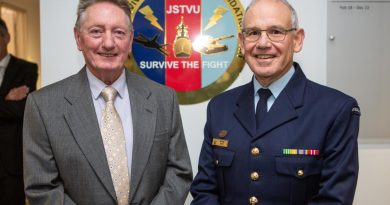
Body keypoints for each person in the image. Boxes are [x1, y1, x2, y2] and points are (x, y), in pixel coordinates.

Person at [190, 0, 360, 204]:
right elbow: (205, 190)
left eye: (276, 31)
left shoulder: (335, 110)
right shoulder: (220, 107)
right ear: (242, 42)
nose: (263, 43)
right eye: (253, 33)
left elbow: (334, 200)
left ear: (297, 39)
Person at [23, 0, 192, 205]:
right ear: (78, 38)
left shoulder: (163, 99)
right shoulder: (43, 106)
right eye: (96, 31)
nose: (109, 43)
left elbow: (179, 173)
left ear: (130, 41)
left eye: (119, 32)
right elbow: (42, 188)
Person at [0, 18, 38, 205]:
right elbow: (10, 109)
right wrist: (5, 100)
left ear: (6, 37)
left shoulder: (27, 69)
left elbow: (23, 110)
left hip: (11, 164)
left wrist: (11, 105)